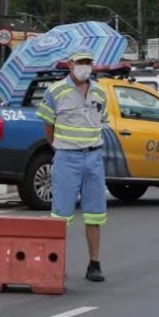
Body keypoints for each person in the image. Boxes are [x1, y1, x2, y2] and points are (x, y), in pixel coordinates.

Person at [38, 51, 110, 282]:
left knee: (95, 214)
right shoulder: (55, 91)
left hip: (93, 157)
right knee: (61, 215)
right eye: (80, 62)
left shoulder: (99, 91)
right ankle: (57, 264)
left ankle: (94, 263)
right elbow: (48, 125)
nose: (84, 66)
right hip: (67, 157)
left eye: (88, 62)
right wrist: (59, 147)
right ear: (70, 64)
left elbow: (102, 121)